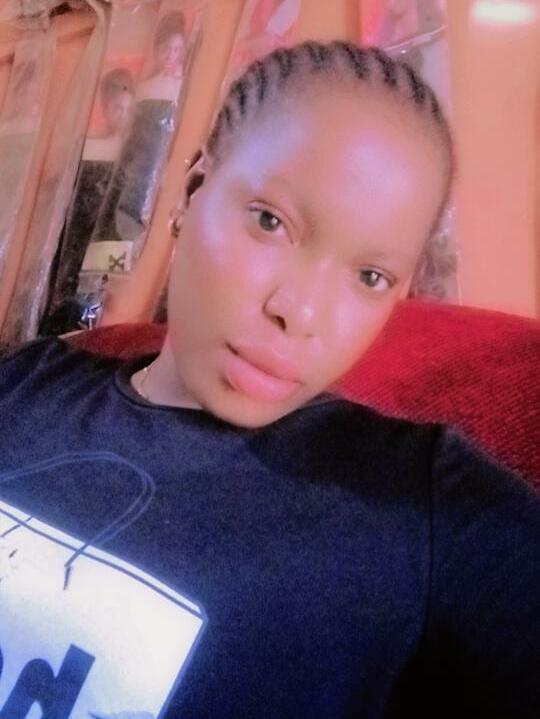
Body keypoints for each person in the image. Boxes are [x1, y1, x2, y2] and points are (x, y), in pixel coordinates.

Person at [0, 41, 538, 718]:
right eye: (270, 222)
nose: (300, 313)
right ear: (193, 189)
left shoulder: (423, 506)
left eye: (370, 277)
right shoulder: (25, 382)